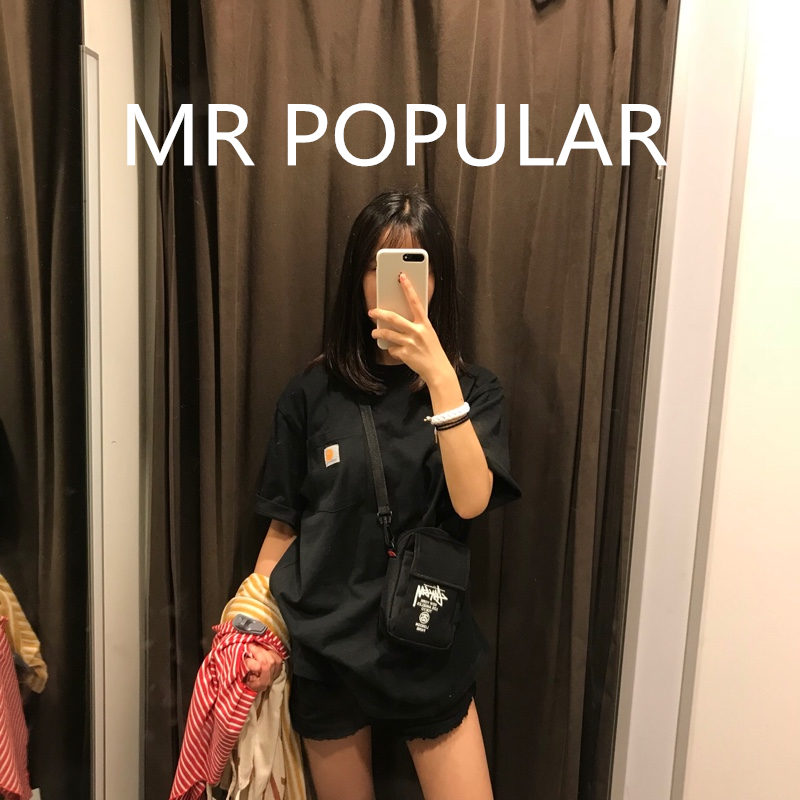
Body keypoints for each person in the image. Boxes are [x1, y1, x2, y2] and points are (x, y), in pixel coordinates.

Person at [244, 188, 521, 800]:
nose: (394, 283)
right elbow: (284, 527)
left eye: (413, 266)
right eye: (378, 265)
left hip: (426, 641)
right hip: (327, 649)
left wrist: (439, 376)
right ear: (356, 277)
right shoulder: (310, 394)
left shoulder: (474, 389)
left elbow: (472, 501)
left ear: (438, 281)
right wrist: (248, 629)